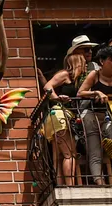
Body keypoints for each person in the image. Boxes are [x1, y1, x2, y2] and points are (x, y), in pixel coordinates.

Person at [78, 46, 112, 184]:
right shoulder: (94, 74)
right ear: (102, 61)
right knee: (95, 150)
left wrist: (108, 96)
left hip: (110, 115)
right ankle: (99, 182)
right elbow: (80, 93)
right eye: (111, 60)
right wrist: (96, 93)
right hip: (91, 114)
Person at [42, 50, 88, 186]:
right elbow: (47, 86)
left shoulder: (76, 80)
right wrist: (56, 98)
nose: (85, 66)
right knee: (70, 154)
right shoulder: (65, 74)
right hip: (59, 115)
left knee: (59, 155)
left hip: (56, 116)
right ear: (77, 63)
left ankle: (60, 184)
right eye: (84, 63)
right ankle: (70, 185)